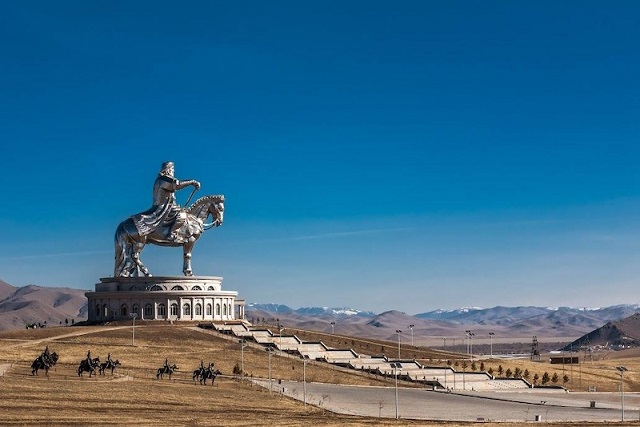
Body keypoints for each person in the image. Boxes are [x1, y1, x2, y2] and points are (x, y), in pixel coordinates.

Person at [131, 161, 200, 242]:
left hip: (165, 207)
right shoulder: (164, 179)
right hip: (164, 208)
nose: (173, 171)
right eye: (172, 169)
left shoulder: (162, 179)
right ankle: (171, 233)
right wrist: (191, 182)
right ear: (168, 169)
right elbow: (177, 185)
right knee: (182, 215)